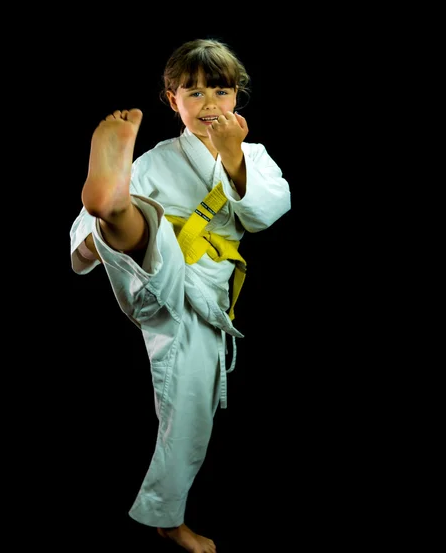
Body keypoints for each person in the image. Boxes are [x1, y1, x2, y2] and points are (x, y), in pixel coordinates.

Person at [70, 38, 291, 552]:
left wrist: (234, 161)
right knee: (134, 218)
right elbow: (81, 244)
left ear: (238, 97)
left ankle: (168, 514)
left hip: (200, 299)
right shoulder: (154, 160)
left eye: (220, 89)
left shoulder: (254, 158)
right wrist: (101, 224)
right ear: (173, 102)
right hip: (151, 273)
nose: (209, 103)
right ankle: (115, 203)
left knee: (189, 408)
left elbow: (267, 211)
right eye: (194, 92)